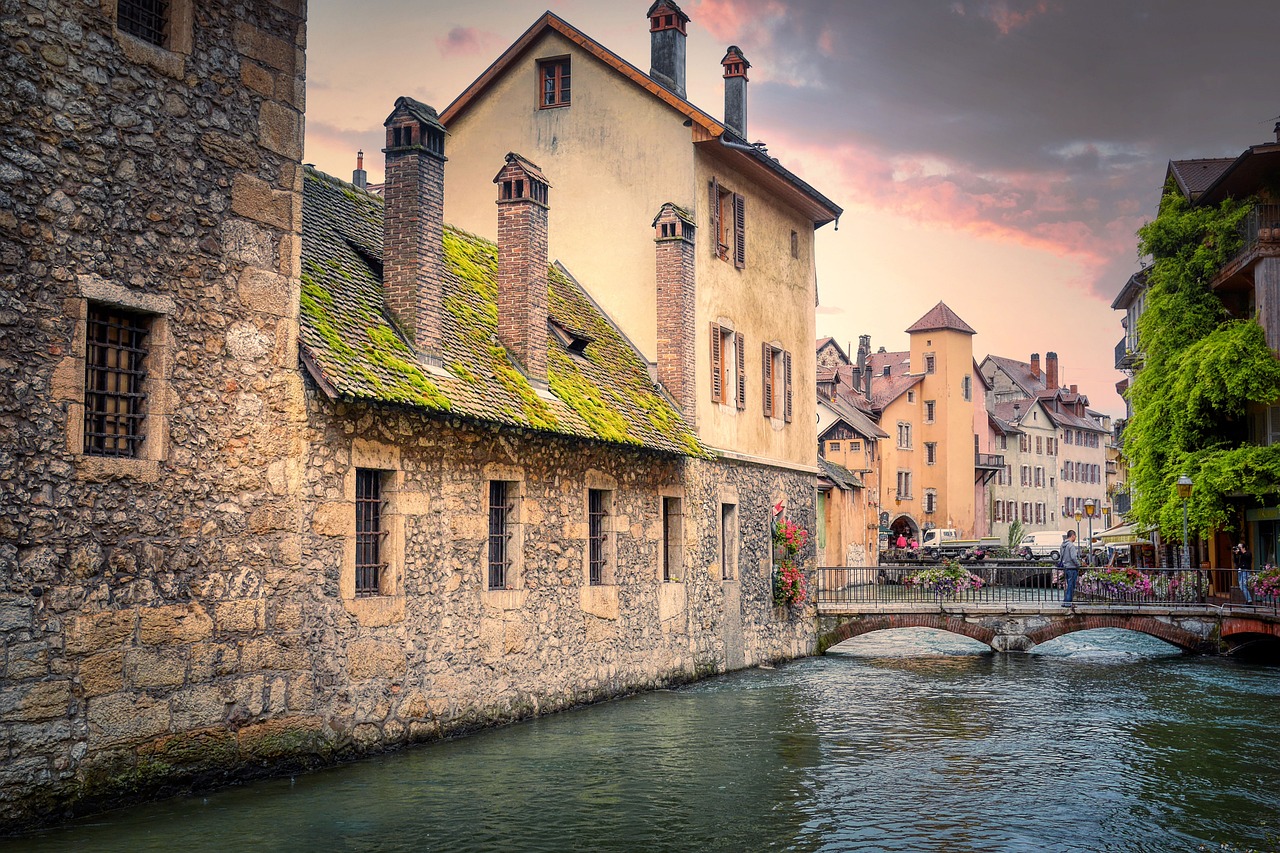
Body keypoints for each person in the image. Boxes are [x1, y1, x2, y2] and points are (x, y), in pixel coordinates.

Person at [1060, 530, 1081, 606]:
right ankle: (1068, 603)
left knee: (1068, 585)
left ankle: (1065, 601)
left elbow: (1061, 557)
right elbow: (1073, 557)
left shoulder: (1063, 545)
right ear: (1072, 536)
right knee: (1071, 585)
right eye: (1075, 536)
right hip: (1072, 567)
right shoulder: (1071, 545)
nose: (1075, 538)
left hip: (1065, 567)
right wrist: (1078, 565)